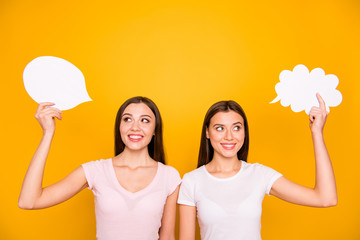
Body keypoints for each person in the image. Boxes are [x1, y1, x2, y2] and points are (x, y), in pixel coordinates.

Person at [177, 93, 337, 240]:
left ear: (244, 132)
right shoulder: (192, 181)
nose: (229, 136)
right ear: (207, 132)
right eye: (219, 128)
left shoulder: (260, 175)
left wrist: (317, 133)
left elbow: (325, 198)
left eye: (236, 128)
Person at [19, 96, 181, 240]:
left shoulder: (169, 176)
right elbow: (29, 201)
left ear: (155, 130)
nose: (135, 127)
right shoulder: (95, 171)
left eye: (145, 120)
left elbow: (167, 236)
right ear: (119, 127)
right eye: (127, 119)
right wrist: (48, 133)